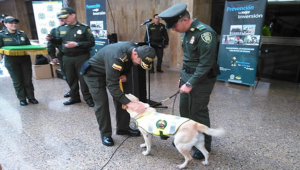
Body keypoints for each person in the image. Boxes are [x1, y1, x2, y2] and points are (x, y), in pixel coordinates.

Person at [158, 3, 219, 160]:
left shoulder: (205, 34)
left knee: (198, 111)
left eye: (174, 25)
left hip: (202, 79)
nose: (173, 29)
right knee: (184, 109)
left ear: (185, 20)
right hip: (188, 77)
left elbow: (205, 64)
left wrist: (190, 83)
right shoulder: (186, 32)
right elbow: (188, 59)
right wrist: (183, 77)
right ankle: (187, 139)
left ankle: (205, 145)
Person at [81, 42, 156, 146]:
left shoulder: (134, 50)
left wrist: (126, 75)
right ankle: (105, 134)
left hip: (114, 73)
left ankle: (123, 128)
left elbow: (128, 65)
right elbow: (112, 85)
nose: (139, 64)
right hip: (94, 74)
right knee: (102, 103)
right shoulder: (117, 56)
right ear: (135, 54)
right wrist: (130, 103)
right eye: (140, 61)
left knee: (123, 99)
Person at [54, 7, 95, 107]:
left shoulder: (83, 27)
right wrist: (51, 39)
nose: (64, 20)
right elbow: (59, 42)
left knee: (83, 79)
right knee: (70, 78)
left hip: (81, 57)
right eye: (62, 18)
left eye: (66, 17)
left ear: (73, 15)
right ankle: (74, 97)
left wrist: (77, 44)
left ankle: (88, 98)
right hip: (67, 57)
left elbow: (91, 42)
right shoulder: (62, 28)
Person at [0, 16, 38, 106]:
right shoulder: (1, 35)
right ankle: (22, 98)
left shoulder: (22, 34)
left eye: (15, 23)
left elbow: (28, 46)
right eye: (11, 23)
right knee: (17, 81)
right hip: (11, 61)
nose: (14, 24)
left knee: (27, 80)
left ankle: (31, 97)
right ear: (5, 24)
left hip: (25, 59)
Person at [46, 13, 71, 97]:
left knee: (81, 76)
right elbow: (50, 45)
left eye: (64, 18)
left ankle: (87, 94)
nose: (62, 20)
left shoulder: (74, 28)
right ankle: (73, 91)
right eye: (60, 19)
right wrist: (53, 56)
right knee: (66, 75)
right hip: (63, 55)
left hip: (77, 55)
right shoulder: (55, 31)